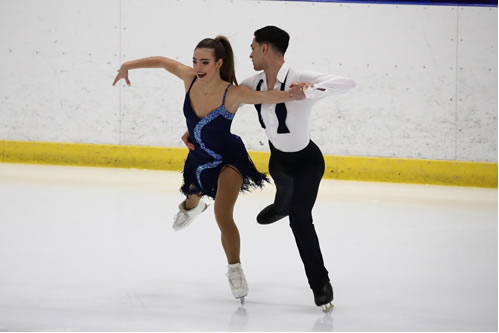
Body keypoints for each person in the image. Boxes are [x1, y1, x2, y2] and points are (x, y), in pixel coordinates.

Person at [112, 35, 302, 304]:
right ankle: (192, 207)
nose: (198, 67)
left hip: (230, 159)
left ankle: (235, 269)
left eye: (205, 62)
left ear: (218, 63)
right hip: (198, 157)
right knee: (192, 198)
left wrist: (297, 92)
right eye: (195, 61)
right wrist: (128, 65)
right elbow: (163, 62)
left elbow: (267, 95)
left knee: (223, 213)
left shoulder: (232, 93)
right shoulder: (189, 79)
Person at [182, 27, 355, 311]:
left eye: (252, 48)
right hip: (278, 162)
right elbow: (221, 99)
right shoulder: (253, 83)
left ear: (265, 49)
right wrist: (193, 131)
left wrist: (309, 91)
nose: (248, 54)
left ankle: (320, 285)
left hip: (308, 162)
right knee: (285, 194)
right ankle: (282, 203)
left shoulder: (300, 78)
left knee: (300, 220)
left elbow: (348, 83)